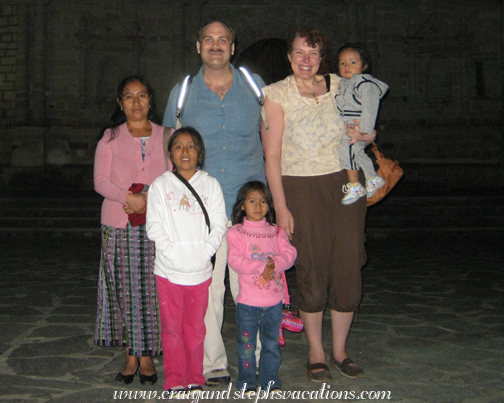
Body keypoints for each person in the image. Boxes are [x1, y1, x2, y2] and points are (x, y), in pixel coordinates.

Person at [261, 27, 375, 382]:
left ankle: (340, 350)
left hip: (346, 183)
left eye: (312, 53)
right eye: (299, 52)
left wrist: (367, 134)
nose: (305, 60)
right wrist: (280, 206)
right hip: (301, 188)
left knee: (347, 263)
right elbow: (272, 154)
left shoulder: (341, 86)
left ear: (321, 57)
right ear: (289, 56)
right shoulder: (276, 94)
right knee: (311, 265)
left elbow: (368, 124)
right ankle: (316, 351)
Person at [162, 20, 266, 385]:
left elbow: (274, 142)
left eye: (224, 40)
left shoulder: (256, 89)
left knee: (253, 288)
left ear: (233, 48)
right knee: (208, 289)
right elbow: (169, 149)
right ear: (198, 46)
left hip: (248, 209)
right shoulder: (183, 92)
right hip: (200, 211)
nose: (216, 45)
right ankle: (212, 361)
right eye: (209, 39)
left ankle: (253, 360)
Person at [94, 75, 166, 384]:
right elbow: (100, 180)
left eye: (141, 96)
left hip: (158, 227)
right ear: (120, 103)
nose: (136, 103)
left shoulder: (168, 135)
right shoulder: (110, 137)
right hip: (118, 223)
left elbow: (178, 175)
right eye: (128, 97)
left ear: (151, 100)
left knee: (151, 290)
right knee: (124, 290)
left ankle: (147, 353)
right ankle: (130, 353)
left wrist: (151, 201)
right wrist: (128, 198)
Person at [146, 127, 227, 395]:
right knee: (172, 329)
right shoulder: (161, 185)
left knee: (195, 329)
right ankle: (175, 379)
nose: (185, 151)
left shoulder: (211, 185)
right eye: (178, 146)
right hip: (168, 272)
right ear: (170, 153)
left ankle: (194, 377)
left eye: (191, 146)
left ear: (200, 153)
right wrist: (172, 252)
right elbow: (153, 226)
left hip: (200, 272)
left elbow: (218, 225)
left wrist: (204, 252)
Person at [227, 181, 297, 396]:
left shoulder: (276, 232)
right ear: (242, 206)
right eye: (252, 201)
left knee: (271, 345)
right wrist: (262, 266)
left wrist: (274, 263)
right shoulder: (236, 232)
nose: (258, 206)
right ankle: (247, 382)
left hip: (273, 303)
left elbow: (290, 254)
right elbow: (235, 260)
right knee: (246, 344)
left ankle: (270, 380)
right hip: (248, 303)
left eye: (263, 201)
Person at [335, 43, 389, 205]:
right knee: (357, 154)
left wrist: (364, 130)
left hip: (357, 127)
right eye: (342, 63)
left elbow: (371, 106)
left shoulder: (364, 83)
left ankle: (355, 186)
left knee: (348, 150)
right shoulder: (343, 83)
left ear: (364, 65)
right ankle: (372, 178)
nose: (347, 67)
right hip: (348, 125)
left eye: (353, 62)